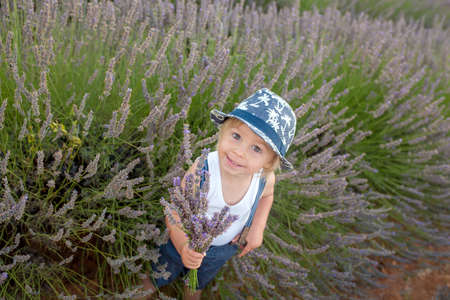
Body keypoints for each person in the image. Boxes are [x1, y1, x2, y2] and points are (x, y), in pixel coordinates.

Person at [139, 88, 297, 299]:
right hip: (184, 238)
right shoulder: (203, 168)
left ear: (268, 162)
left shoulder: (264, 178)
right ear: (222, 132)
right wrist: (184, 246)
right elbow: (174, 210)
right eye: (236, 136)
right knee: (164, 266)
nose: (239, 151)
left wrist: (257, 228)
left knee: (198, 281)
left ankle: (191, 291)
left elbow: (267, 197)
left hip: (222, 249)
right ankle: (150, 284)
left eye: (256, 149)